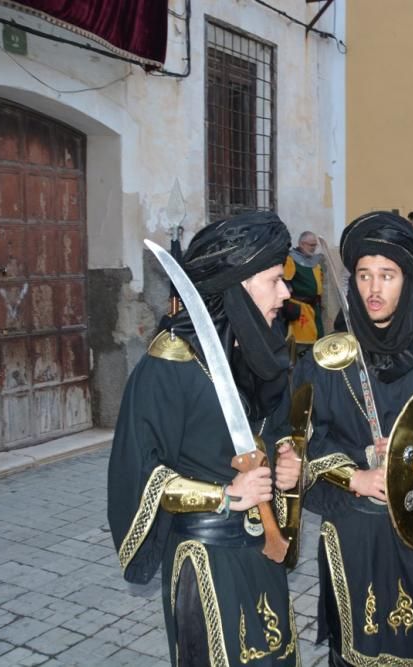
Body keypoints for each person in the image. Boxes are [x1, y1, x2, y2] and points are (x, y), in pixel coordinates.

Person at [108, 212, 303, 665]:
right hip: (207, 562)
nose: (286, 293)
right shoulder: (169, 364)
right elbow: (140, 476)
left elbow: (274, 433)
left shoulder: (258, 350)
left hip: (263, 550)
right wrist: (223, 495)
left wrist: (288, 461)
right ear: (239, 284)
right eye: (275, 280)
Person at [295, 211, 413, 666]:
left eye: (387, 275)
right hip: (353, 536)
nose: (373, 289)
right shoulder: (327, 362)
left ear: (408, 282)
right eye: (364, 275)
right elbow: (298, 447)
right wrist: (355, 476)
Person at [283, 231, 325, 350]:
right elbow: (283, 283)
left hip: (314, 308)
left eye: (315, 245)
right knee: (302, 344)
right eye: (311, 245)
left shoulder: (315, 263)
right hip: (300, 309)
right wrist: (288, 307)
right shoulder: (291, 260)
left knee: (318, 340)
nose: (313, 248)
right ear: (302, 244)